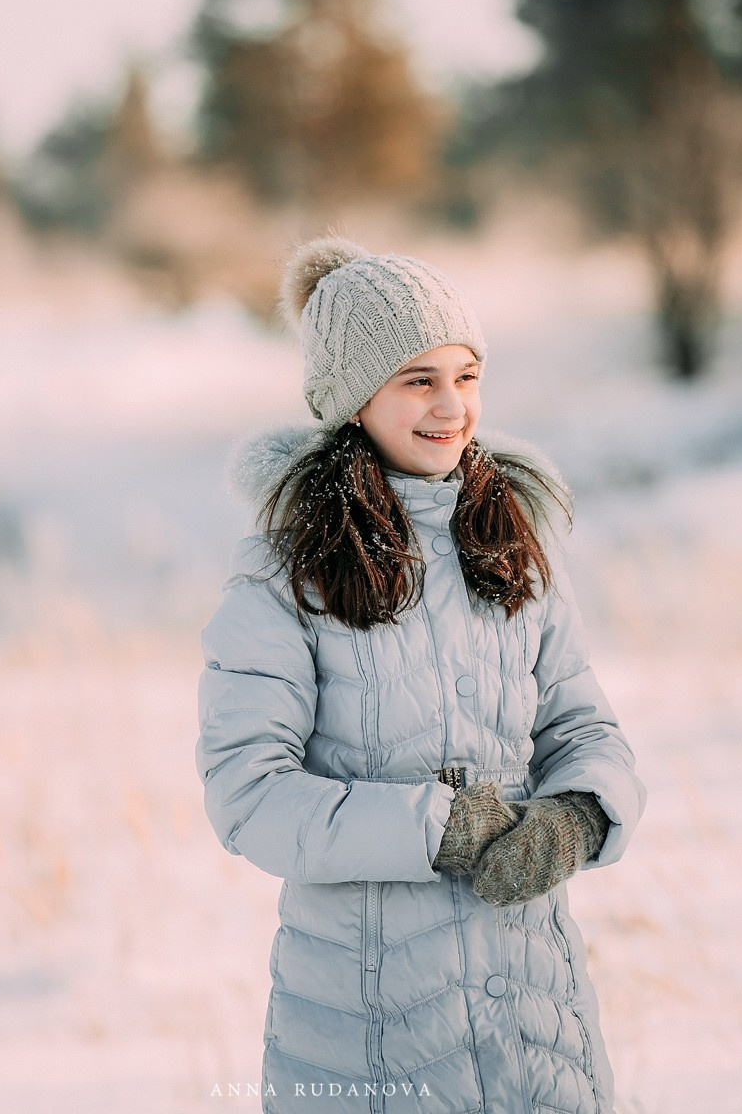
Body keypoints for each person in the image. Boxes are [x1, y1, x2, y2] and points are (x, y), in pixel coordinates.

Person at [196, 237, 646, 1114]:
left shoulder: (512, 545)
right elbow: (247, 794)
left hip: (536, 1030)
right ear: (351, 398)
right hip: (368, 1035)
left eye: (467, 375)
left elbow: (584, 729)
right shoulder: (286, 571)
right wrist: (437, 825)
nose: (452, 407)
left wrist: (577, 815)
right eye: (417, 380)